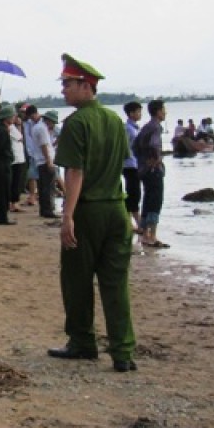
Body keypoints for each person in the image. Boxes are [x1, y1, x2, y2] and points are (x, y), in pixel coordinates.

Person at [49, 54, 136, 373]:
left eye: (68, 84)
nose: (64, 91)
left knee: (77, 280)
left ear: (87, 86)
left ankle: (83, 342)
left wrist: (67, 216)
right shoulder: (114, 120)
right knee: (116, 282)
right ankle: (123, 351)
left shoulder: (76, 123)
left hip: (88, 210)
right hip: (116, 207)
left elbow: (75, 172)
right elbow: (123, 166)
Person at [134, 99, 169, 250]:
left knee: (147, 200)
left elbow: (135, 146)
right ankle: (152, 236)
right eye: (164, 109)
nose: (165, 112)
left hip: (144, 170)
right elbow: (154, 145)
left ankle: (144, 234)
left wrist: (142, 161)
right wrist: (156, 160)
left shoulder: (146, 127)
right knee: (155, 201)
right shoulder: (155, 127)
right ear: (158, 111)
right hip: (153, 170)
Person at [33, 110, 60, 218]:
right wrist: (49, 161)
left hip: (41, 160)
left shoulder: (37, 127)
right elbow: (44, 146)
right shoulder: (42, 129)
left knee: (44, 186)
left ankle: (44, 209)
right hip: (45, 160)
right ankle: (48, 210)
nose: (53, 125)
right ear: (48, 120)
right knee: (48, 187)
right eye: (53, 122)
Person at [122, 101, 144, 232]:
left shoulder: (135, 128)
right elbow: (124, 146)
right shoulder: (128, 128)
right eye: (138, 111)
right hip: (129, 164)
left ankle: (132, 222)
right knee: (133, 193)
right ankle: (135, 223)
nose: (140, 114)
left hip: (135, 163)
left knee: (134, 192)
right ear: (131, 113)